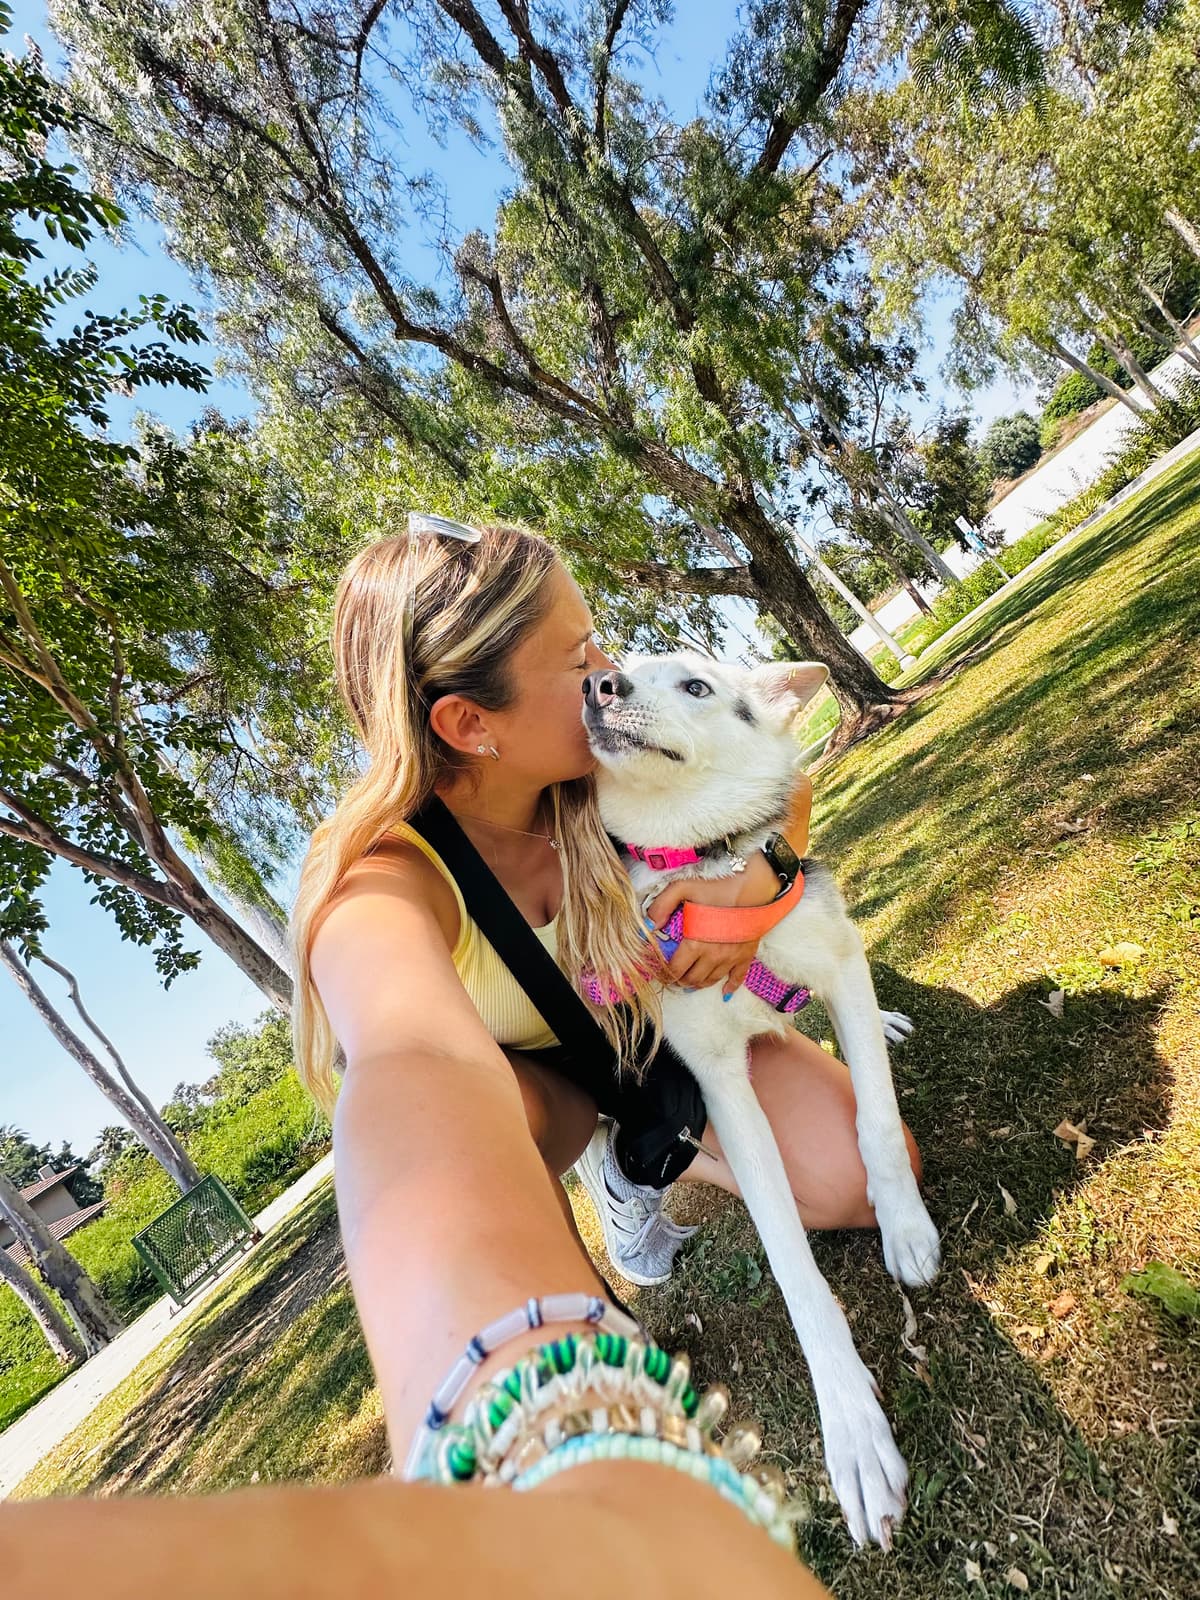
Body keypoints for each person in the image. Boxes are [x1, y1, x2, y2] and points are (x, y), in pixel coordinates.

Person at [283, 515, 921, 1566]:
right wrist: (491, 1388)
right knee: (505, 1107)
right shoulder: (378, 880)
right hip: (549, 1099)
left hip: (675, 1039)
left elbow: (777, 782)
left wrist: (754, 884)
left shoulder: (594, 766)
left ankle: (661, 1151)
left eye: (603, 643)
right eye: (582, 657)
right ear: (469, 723)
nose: (612, 672)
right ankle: (609, 1189)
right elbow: (415, 1075)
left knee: (872, 1174)